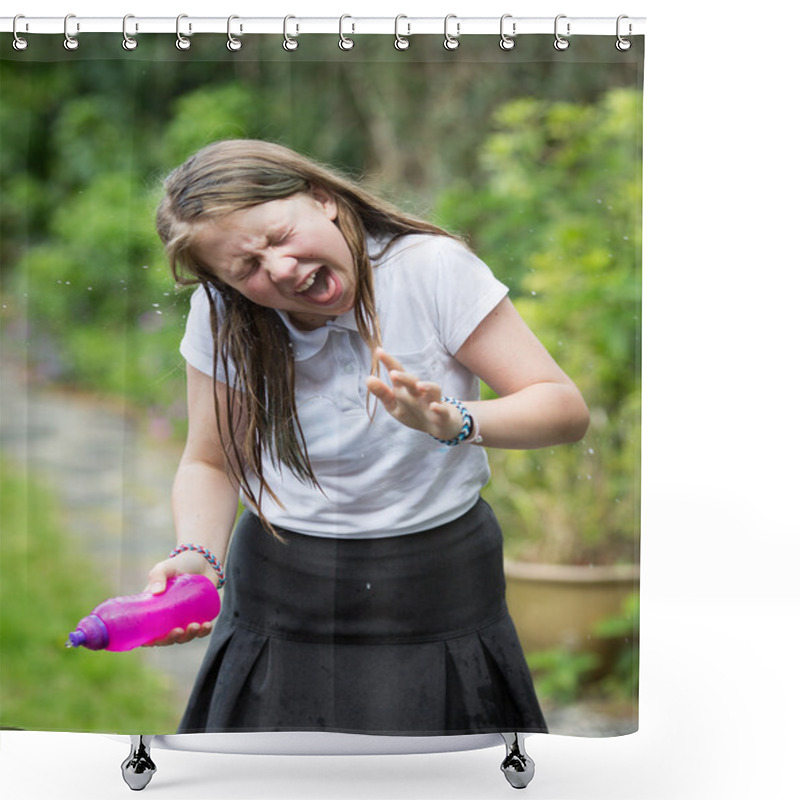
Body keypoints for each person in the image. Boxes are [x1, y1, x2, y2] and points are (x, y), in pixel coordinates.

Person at [145, 139, 589, 736]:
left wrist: (454, 422)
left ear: (323, 199)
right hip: (282, 593)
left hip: (441, 586)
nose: (277, 269)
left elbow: (562, 408)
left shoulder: (430, 269)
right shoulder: (224, 312)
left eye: (277, 237)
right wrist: (197, 557)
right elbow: (212, 462)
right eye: (246, 268)